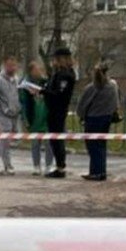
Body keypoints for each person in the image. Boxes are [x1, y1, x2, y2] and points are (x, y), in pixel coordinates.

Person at [75, 63, 120, 182]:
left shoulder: (92, 88)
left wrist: (81, 115)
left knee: (93, 146)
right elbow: (116, 102)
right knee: (101, 145)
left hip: (93, 119)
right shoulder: (113, 85)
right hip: (107, 118)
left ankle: (95, 172)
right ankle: (101, 171)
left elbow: (82, 104)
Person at [40, 47, 77, 179]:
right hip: (54, 109)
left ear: (61, 59)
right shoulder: (59, 73)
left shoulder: (65, 75)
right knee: (54, 139)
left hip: (58, 110)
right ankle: (59, 165)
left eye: (55, 59)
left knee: (57, 139)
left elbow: (59, 94)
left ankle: (60, 167)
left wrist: (43, 92)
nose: (53, 62)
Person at [19, 61, 53, 176]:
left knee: (49, 143)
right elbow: (24, 104)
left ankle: (48, 165)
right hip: (34, 118)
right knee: (35, 144)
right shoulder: (25, 86)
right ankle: (36, 166)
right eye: (37, 69)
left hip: (46, 116)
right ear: (32, 71)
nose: (40, 72)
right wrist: (25, 119)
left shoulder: (46, 83)